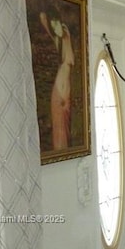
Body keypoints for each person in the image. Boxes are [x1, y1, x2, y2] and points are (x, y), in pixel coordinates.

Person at [40, 9, 74, 149]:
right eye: (53, 26)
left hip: (63, 92)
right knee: (58, 126)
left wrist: (62, 29)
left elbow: (64, 33)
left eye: (57, 24)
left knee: (63, 127)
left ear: (62, 24)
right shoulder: (58, 41)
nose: (55, 28)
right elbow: (45, 22)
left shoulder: (65, 38)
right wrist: (48, 22)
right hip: (58, 92)